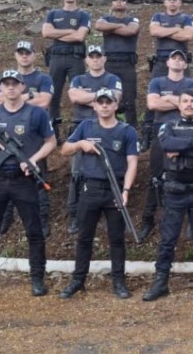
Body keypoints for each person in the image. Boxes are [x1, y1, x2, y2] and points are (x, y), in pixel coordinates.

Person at [0, 70, 56, 297]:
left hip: (23, 180)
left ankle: (37, 278)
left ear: (22, 87)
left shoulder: (36, 114)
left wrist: (33, 160)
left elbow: (51, 142)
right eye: (6, 84)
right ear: (1, 88)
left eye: (15, 83)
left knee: (34, 231)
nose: (11, 87)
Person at [143, 88, 193, 301]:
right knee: (168, 239)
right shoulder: (168, 126)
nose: (189, 104)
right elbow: (166, 144)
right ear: (179, 105)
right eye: (185, 101)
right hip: (174, 191)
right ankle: (160, 282)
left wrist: (181, 150)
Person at [58, 89, 138, 299]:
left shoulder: (127, 131)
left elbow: (132, 163)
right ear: (94, 105)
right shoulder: (86, 126)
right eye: (100, 102)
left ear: (115, 106)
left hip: (115, 189)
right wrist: (80, 144)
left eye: (108, 102)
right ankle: (78, 280)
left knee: (117, 238)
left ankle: (119, 281)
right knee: (84, 237)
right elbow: (64, 150)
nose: (104, 106)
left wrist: (126, 190)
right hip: (90, 189)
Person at [139, 50, 193, 241]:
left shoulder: (192, 83)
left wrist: (167, 99)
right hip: (161, 131)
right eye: (174, 58)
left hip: (186, 131)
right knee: (155, 176)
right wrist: (181, 101)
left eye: (181, 59)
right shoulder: (157, 82)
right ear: (167, 62)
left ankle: (191, 220)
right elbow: (152, 105)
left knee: (189, 174)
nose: (177, 61)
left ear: (185, 65)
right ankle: (148, 219)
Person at [0, 40, 54, 238]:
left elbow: (44, 102)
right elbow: (0, 100)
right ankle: (5, 218)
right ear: (15, 55)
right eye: (20, 52)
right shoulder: (6, 76)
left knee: (38, 178)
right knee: (6, 178)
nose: (24, 56)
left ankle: (42, 220)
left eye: (27, 52)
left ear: (34, 54)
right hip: (8, 134)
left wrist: (17, 99)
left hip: (34, 134)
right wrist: (29, 96)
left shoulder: (43, 78)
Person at [66, 45, 123, 235]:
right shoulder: (78, 79)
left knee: (110, 170)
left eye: (99, 56)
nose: (96, 59)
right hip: (81, 127)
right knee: (77, 173)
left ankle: (111, 213)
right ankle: (74, 215)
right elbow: (74, 97)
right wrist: (101, 96)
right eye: (92, 56)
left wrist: (88, 98)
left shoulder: (113, 79)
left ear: (104, 59)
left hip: (108, 128)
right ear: (86, 60)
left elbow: (116, 98)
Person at [141, 0, 193, 150]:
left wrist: (165, 32)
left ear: (180, 2)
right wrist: (177, 30)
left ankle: (185, 129)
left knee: (188, 95)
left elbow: (188, 35)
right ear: (165, 2)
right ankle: (147, 135)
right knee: (153, 94)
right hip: (161, 62)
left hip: (181, 61)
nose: (172, 1)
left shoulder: (186, 18)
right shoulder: (158, 17)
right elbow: (154, 31)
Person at [41, 0, 90, 126]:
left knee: (79, 93)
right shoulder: (53, 14)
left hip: (76, 58)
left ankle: (80, 125)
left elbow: (79, 36)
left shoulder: (83, 15)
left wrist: (56, 34)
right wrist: (69, 31)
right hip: (56, 57)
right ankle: (53, 126)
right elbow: (46, 33)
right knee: (53, 94)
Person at [95, 0, 140, 128]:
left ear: (127, 4)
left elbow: (131, 31)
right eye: (116, 0)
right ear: (112, 4)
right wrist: (120, 26)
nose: (119, 2)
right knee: (107, 97)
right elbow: (99, 26)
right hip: (109, 63)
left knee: (129, 100)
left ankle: (132, 130)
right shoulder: (105, 18)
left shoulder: (132, 19)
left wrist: (111, 28)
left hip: (127, 64)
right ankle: (106, 128)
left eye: (122, 0)